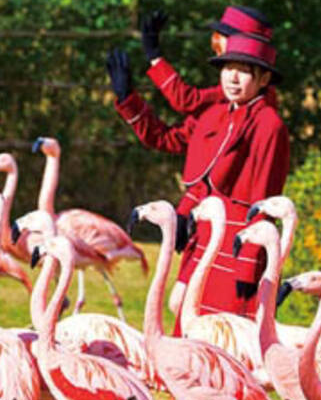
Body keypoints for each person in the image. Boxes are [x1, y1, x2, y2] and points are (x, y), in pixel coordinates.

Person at [108, 31, 289, 324]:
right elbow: (163, 137)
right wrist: (128, 99)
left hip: (237, 247)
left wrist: (246, 266)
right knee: (189, 334)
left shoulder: (270, 125)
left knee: (228, 341)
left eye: (244, 71)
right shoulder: (212, 116)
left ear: (264, 80)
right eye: (228, 68)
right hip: (203, 241)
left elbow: (264, 204)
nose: (233, 78)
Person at [139, 6, 277, 117]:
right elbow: (176, 137)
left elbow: (187, 101)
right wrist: (128, 102)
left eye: (226, 36)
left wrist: (155, 58)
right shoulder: (241, 89)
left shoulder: (243, 92)